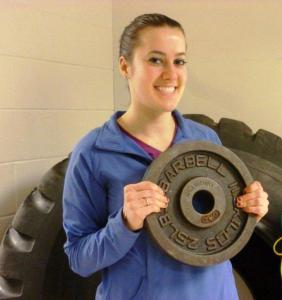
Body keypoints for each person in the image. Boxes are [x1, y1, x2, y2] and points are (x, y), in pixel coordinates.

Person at [63, 13, 269, 300]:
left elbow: (219, 234)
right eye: (155, 60)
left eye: (179, 61)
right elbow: (79, 259)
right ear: (125, 66)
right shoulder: (94, 152)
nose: (171, 74)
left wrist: (249, 211)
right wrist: (125, 222)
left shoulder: (206, 141)